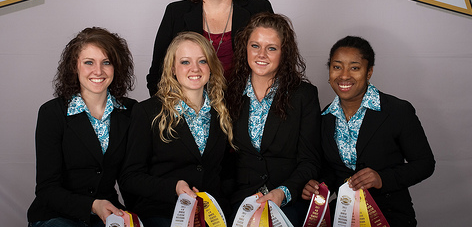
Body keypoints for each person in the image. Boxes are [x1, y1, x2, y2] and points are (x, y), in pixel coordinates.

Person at [302, 36, 435, 227]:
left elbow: (425, 164)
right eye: (337, 67)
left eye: (354, 67)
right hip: (342, 214)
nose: (344, 75)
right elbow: (331, 170)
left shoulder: (397, 111)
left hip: (389, 213)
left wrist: (382, 179)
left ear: (369, 72)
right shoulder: (324, 117)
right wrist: (318, 186)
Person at [120, 32, 234, 227]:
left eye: (202, 61)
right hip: (162, 213)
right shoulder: (148, 112)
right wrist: (174, 187)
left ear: (211, 66)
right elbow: (130, 178)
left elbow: (229, 171)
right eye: (185, 62)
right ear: (172, 68)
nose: (195, 69)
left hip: (213, 215)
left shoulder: (223, 111)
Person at [27, 27, 137, 227]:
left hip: (107, 217)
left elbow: (132, 177)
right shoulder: (52, 113)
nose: (98, 71)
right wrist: (93, 205)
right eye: (88, 63)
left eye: (107, 62)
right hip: (56, 217)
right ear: (74, 67)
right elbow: (47, 189)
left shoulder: (130, 111)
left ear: (117, 67)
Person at [226, 12, 322, 226]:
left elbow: (310, 160)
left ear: (284, 53)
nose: (262, 54)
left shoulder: (303, 95)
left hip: (288, 199)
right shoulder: (229, 93)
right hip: (241, 199)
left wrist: (284, 192)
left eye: (271, 48)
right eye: (255, 46)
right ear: (245, 49)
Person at [147, 0, 273, 95]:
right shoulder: (176, 12)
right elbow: (157, 74)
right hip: (192, 110)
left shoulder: (259, 8)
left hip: (244, 108)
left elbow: (275, 64)